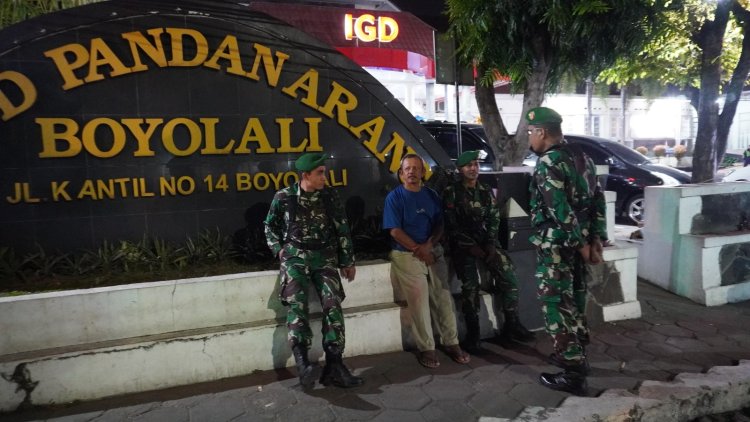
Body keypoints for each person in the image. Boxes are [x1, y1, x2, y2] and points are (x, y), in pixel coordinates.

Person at [264, 152, 363, 389]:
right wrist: (279, 249)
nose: (324, 177)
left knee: (333, 303)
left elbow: (341, 228)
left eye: (324, 172)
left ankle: (335, 365)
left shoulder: (330, 196)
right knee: (296, 304)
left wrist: (347, 261)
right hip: (295, 258)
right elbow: (270, 226)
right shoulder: (285, 197)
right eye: (320, 173)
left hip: (324, 257)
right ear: (305, 175)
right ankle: (303, 364)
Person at [527, 107, 607, 395]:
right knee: (575, 298)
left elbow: (559, 209)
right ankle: (578, 352)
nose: (529, 138)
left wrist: (583, 246)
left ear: (542, 132)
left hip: (559, 245)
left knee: (555, 303)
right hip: (579, 239)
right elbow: (598, 199)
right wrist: (597, 237)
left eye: (530, 132)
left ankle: (572, 372)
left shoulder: (548, 162)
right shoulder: (582, 156)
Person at [383, 153, 471, 368]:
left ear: (423, 172)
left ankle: (452, 342)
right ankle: (427, 348)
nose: (411, 172)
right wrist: (418, 249)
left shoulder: (432, 195)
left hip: (432, 250)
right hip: (406, 253)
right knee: (419, 301)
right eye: (407, 169)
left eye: (416, 168)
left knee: (443, 297)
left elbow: (440, 225)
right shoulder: (394, 197)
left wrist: (429, 246)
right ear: (401, 174)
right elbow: (394, 231)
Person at [443, 150, 535, 354]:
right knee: (470, 287)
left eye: (476, 164)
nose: (474, 168)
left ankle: (511, 325)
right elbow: (451, 225)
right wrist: (471, 247)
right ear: (460, 169)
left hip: (485, 242)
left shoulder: (484, 189)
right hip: (463, 246)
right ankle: (473, 334)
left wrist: (491, 243)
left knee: (508, 275)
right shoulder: (452, 192)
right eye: (469, 165)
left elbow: (493, 218)